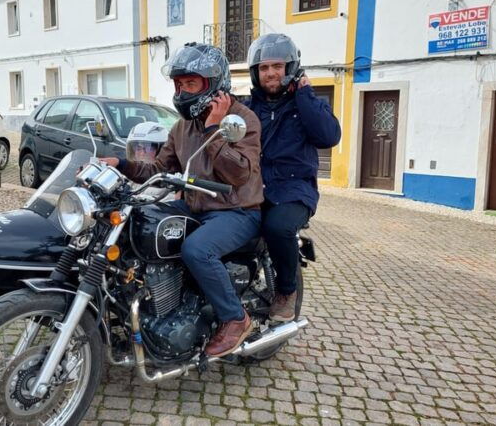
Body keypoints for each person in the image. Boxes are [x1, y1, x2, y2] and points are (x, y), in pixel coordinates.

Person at [99, 43, 264, 357]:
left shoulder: (242, 120)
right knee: (138, 219)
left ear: (214, 84)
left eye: (191, 84)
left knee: (197, 249)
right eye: (179, 84)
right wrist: (121, 164)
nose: (183, 91)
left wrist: (215, 127)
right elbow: (160, 167)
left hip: (237, 210)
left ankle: (235, 318)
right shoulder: (182, 127)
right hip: (194, 206)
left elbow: (239, 174)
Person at [244, 33, 341, 322]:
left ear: (291, 69)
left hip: (295, 190)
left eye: (278, 66)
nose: (271, 73)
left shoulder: (306, 104)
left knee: (278, 226)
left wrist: (304, 94)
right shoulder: (249, 109)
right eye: (264, 68)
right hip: (256, 189)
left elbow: (328, 136)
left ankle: (287, 291)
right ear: (255, 73)